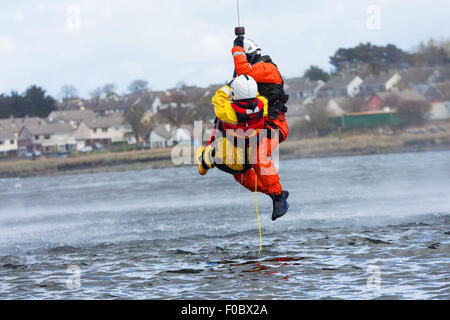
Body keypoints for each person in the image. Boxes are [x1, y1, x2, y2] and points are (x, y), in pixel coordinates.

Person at [197, 75, 289, 221]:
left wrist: (228, 87)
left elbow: (217, 99)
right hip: (248, 157)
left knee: (205, 157)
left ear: (236, 94)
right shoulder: (262, 104)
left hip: (230, 160)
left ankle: (203, 165)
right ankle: (276, 194)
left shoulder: (227, 111)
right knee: (252, 173)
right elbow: (257, 97)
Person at [231, 36, 290, 199]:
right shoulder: (250, 79)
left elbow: (244, 73)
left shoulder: (266, 68)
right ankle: (275, 194)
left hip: (275, 125)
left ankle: (277, 195)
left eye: (244, 57)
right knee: (238, 170)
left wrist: (237, 50)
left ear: (248, 55)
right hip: (258, 127)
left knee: (258, 156)